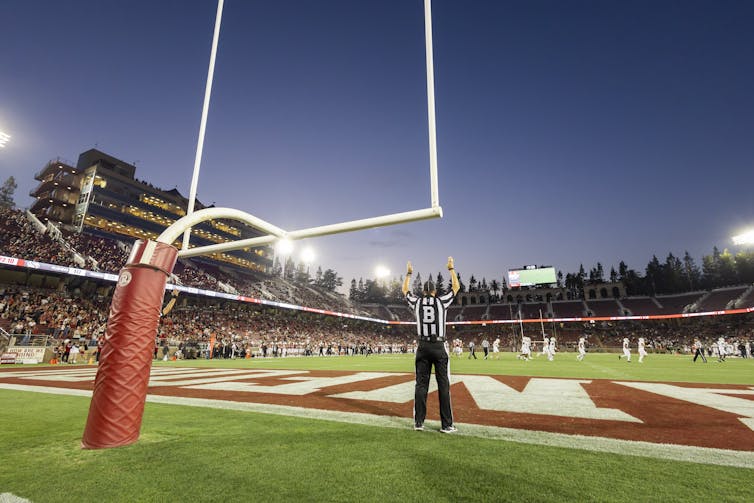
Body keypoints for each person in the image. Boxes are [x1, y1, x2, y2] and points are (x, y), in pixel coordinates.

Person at [403, 256, 460, 434]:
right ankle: (446, 425)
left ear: (424, 292)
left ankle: (419, 422)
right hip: (438, 346)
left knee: (421, 385)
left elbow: (405, 290)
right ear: (435, 291)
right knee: (443, 385)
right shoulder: (441, 301)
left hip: (422, 346)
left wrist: (409, 274)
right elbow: (456, 288)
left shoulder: (417, 301)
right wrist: (451, 269)